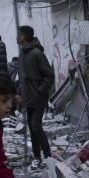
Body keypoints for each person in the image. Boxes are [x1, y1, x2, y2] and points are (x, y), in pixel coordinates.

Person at [17, 25, 55, 170]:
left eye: (18, 34)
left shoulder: (37, 53)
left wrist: (40, 91)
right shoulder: (22, 54)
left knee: (36, 126)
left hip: (38, 98)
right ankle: (37, 157)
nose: (16, 37)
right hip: (27, 99)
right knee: (31, 129)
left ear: (23, 37)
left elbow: (49, 75)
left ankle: (48, 156)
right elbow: (22, 78)